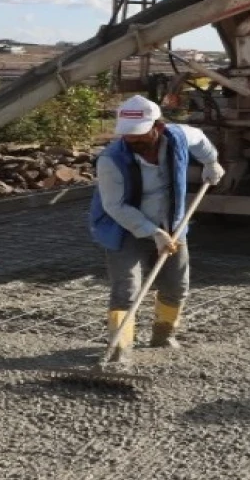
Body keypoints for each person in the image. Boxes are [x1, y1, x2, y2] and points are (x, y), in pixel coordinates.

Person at [89, 95, 224, 362]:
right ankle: (119, 350)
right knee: (126, 290)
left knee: (176, 285)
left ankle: (164, 336)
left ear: (158, 127)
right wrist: (154, 233)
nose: (134, 142)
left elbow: (200, 140)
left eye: (139, 135)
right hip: (126, 228)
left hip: (173, 225)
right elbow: (115, 207)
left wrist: (211, 162)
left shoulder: (179, 136)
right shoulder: (111, 161)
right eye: (128, 137)